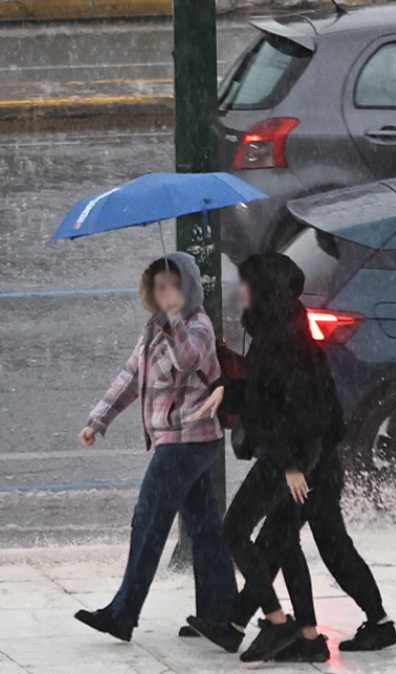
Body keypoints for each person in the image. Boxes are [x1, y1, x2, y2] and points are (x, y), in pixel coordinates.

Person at [188, 253, 396, 661]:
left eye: (247, 282)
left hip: (306, 462)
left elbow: (306, 408)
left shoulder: (284, 338)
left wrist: (293, 465)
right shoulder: (277, 330)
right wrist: (226, 389)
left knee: (299, 541)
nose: (240, 289)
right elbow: (264, 392)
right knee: (281, 540)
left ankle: (335, 626)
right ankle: (287, 632)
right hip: (305, 458)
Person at [73, 253, 237, 642]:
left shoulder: (197, 325)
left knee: (147, 521)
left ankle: (123, 614)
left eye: (172, 285)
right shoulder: (152, 328)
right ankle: (224, 618)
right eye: (159, 286)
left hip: (189, 440)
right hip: (176, 440)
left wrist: (177, 319)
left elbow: (188, 358)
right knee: (205, 529)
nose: (165, 293)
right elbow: (130, 377)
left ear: (188, 288)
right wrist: (98, 420)